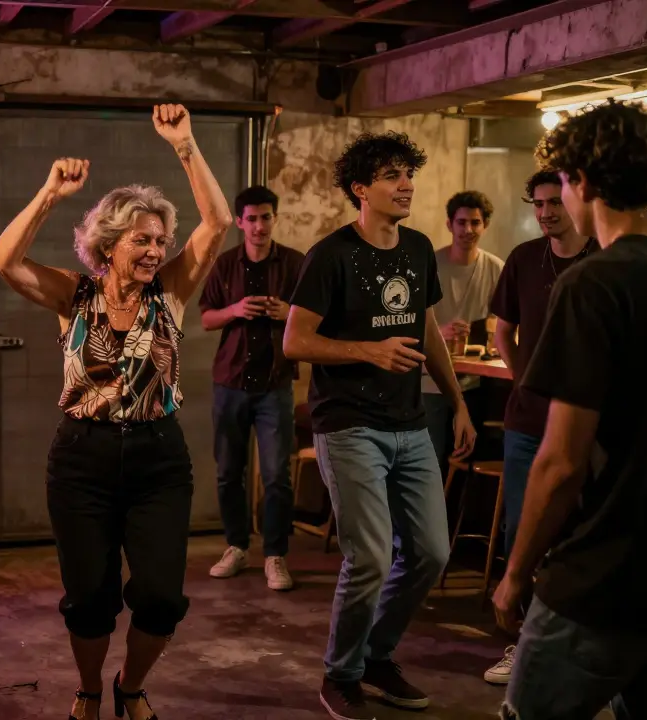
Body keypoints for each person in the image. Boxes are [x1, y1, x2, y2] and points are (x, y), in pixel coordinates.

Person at [0, 105, 230, 720]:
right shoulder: (76, 295)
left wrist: (185, 145)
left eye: (160, 241)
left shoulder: (170, 294)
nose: (154, 250)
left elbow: (218, 221)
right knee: (90, 597)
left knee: (159, 597)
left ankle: (131, 685)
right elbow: (3, 261)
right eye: (141, 240)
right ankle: (91, 688)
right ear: (109, 243)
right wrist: (48, 192)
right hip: (82, 458)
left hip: (158, 458)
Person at [492, 100, 647, 718]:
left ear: (584, 182)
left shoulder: (596, 282)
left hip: (605, 575)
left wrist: (516, 573)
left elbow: (561, 461)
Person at [283, 131, 475, 720]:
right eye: (391, 176)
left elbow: (424, 328)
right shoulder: (331, 254)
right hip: (349, 426)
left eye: (408, 174)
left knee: (430, 553)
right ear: (360, 189)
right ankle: (340, 674)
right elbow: (295, 341)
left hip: (410, 424)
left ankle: (377, 656)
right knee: (368, 555)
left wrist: (457, 403)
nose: (406, 185)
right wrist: (369, 351)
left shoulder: (417, 248)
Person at [482, 169, 599, 685]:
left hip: (592, 427)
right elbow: (502, 328)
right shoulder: (525, 259)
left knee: (582, 534)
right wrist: (522, 377)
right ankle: (522, 646)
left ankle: (579, 648)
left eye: (555, 202)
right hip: (529, 421)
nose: (547, 212)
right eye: (539, 204)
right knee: (522, 532)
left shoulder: (601, 258)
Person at [199, 185, 305, 589]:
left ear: (274, 218)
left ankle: (275, 555)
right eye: (252, 219)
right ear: (240, 222)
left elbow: (315, 317)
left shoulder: (295, 264)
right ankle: (236, 547)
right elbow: (207, 318)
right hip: (230, 382)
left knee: (278, 474)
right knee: (229, 471)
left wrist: (287, 313)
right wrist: (236, 310)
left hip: (275, 383)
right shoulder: (224, 264)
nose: (259, 226)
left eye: (266, 217)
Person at [421, 191, 503, 480]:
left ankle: (455, 523)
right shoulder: (431, 264)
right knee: (429, 462)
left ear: (485, 225)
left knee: (464, 462)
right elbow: (408, 320)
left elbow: (503, 323)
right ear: (449, 224)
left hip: (472, 381)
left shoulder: (495, 268)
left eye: (475, 223)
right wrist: (438, 333)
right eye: (461, 222)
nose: (468, 230)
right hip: (429, 379)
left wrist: (483, 333)